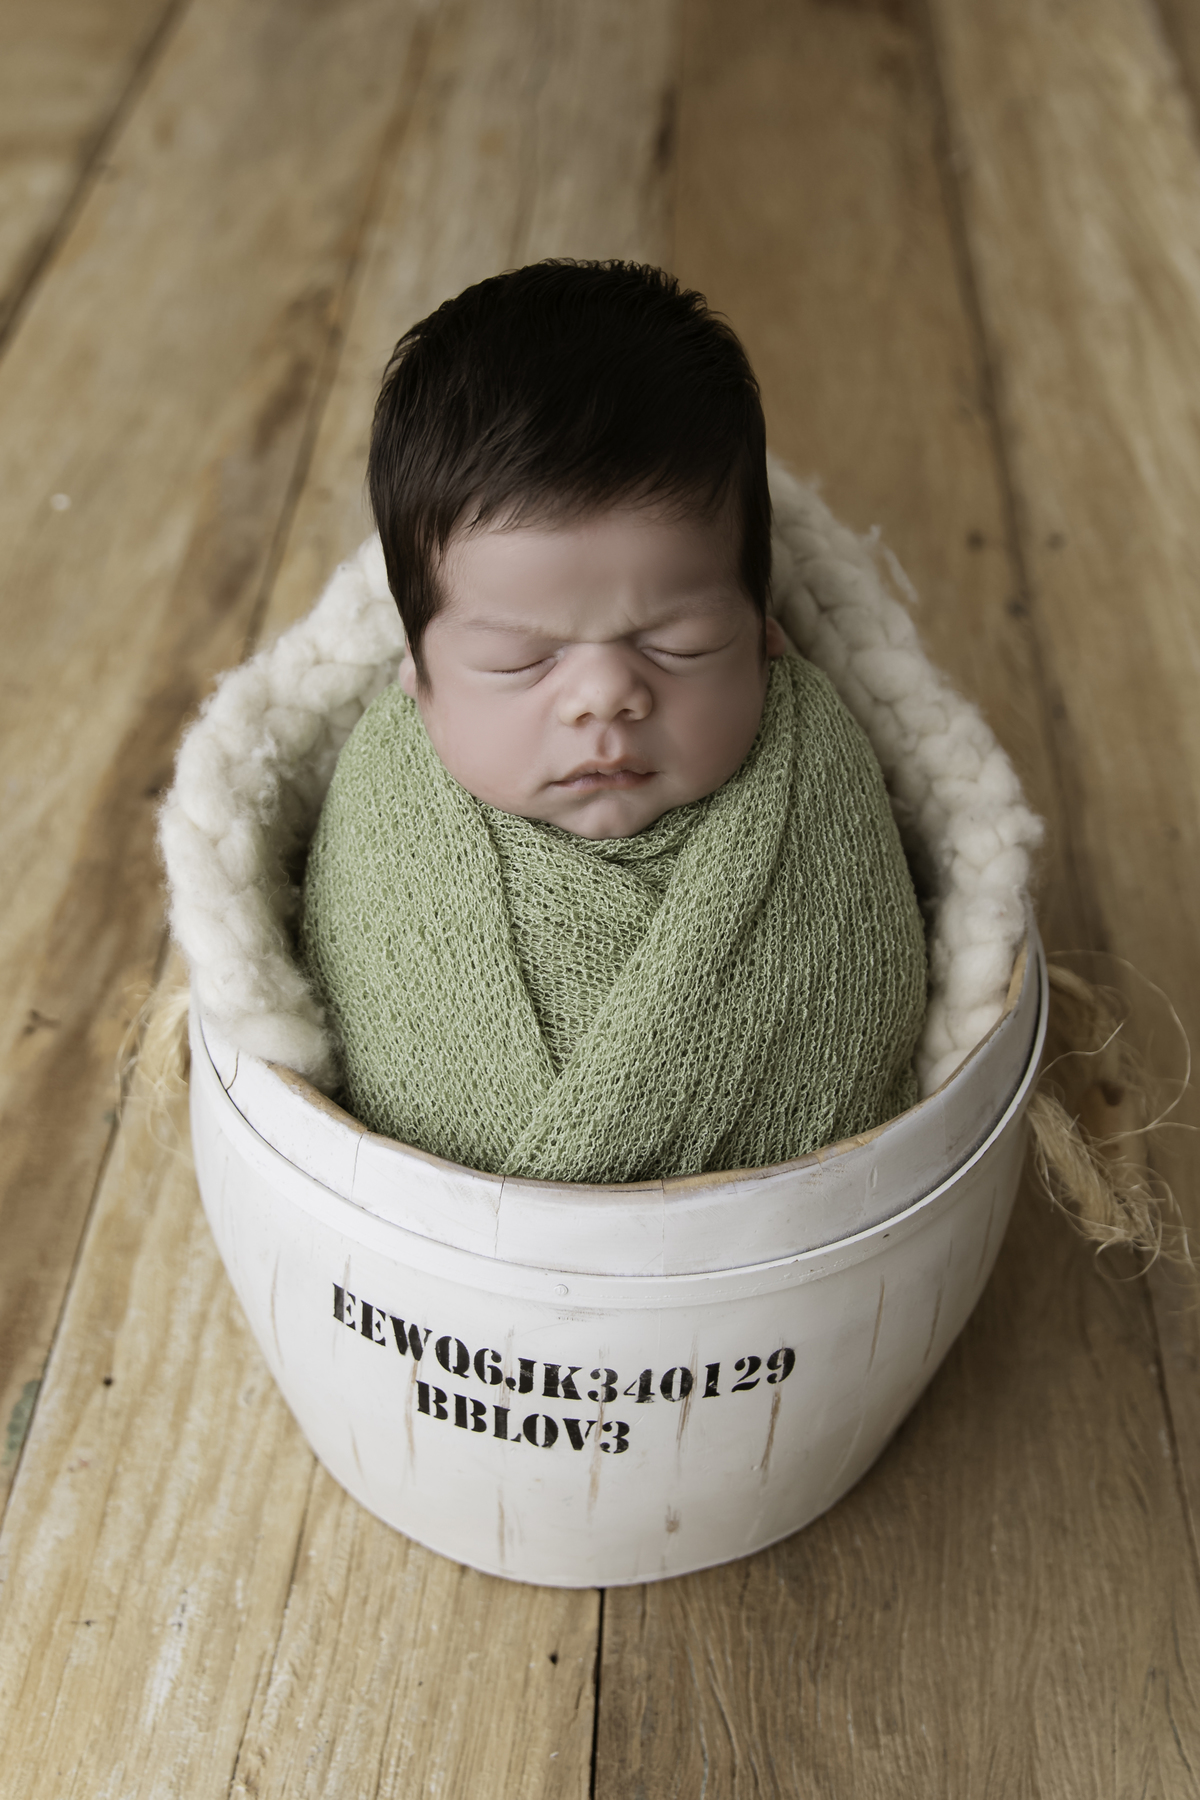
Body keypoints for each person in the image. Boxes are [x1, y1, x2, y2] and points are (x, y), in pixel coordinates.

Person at [300, 260, 927, 1185]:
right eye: (520, 661)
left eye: (679, 643)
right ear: (418, 678)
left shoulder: (819, 783)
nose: (605, 696)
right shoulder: (383, 810)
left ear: (767, 636)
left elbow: (875, 1017)